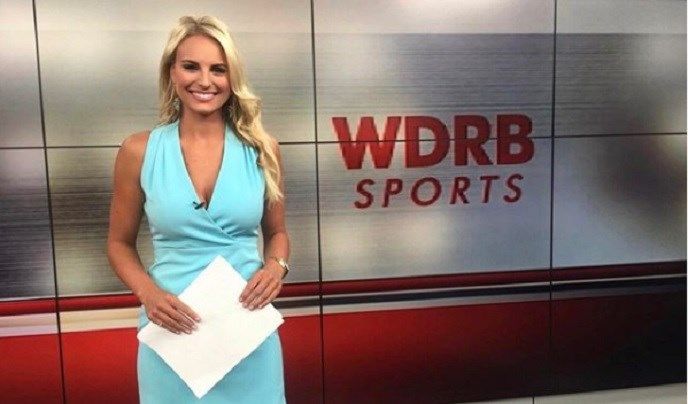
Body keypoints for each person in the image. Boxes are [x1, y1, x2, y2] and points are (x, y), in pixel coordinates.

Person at [106, 15, 289, 403]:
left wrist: (276, 268)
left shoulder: (263, 149)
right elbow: (118, 244)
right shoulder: (138, 151)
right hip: (173, 334)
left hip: (245, 332)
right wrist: (148, 295)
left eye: (218, 69)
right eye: (191, 66)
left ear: (232, 77)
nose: (205, 81)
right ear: (172, 72)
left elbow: (277, 233)